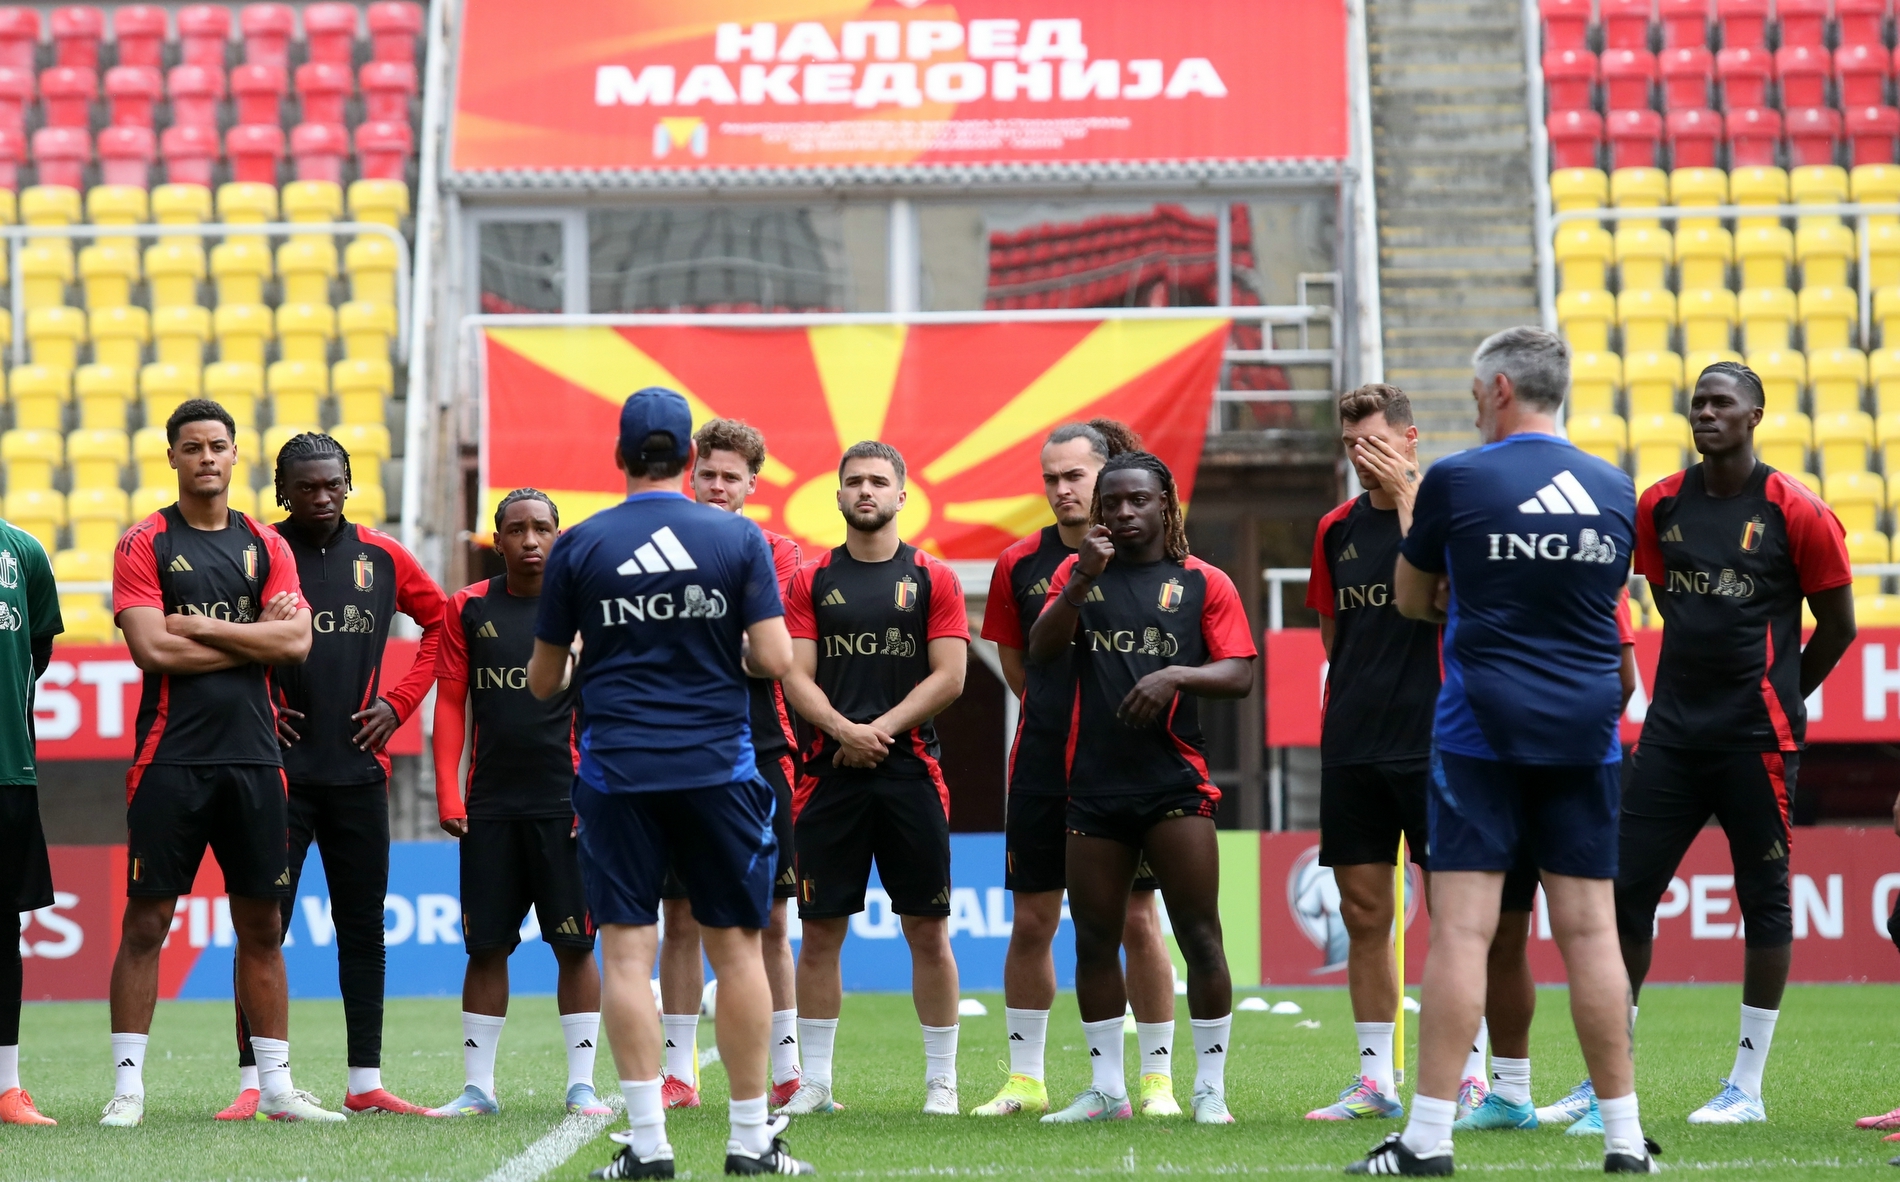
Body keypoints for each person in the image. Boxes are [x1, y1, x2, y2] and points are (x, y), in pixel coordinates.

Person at [1349, 327, 1654, 1174]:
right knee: (1591, 933)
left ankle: (1427, 1140)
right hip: (1587, 732)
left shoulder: (1458, 478)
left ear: (1501, 390)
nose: (1475, 407)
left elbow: (1411, 598)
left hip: (1480, 732)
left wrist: (1462, 590)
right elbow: (1601, 603)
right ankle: (1625, 1140)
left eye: (1477, 394)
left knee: (1462, 933)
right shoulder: (1616, 487)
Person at [528, 387, 810, 1178]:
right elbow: (775, 660)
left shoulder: (579, 545)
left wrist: (586, 654)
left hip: (617, 773)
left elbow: (543, 683)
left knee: (627, 955)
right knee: (739, 952)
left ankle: (649, 1146)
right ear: (689, 459)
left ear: (620, 456)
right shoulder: (738, 538)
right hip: (720, 769)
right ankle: (750, 1141)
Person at [1612, 361, 1854, 1126]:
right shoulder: (1660, 505)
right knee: (1624, 894)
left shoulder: (1798, 510)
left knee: (1764, 901)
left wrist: (1782, 692)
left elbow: (1838, 627)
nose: (1706, 413)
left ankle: (1745, 1088)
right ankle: (1609, 1077)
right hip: (1671, 738)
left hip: (1757, 740)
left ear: (1755, 416)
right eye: (1697, 403)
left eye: (1722, 403)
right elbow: (1660, 599)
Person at [105, 399, 333, 1126]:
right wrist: (251, 637)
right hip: (169, 758)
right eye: (193, 447)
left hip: (257, 759)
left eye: (218, 446)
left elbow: (297, 643)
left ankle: (276, 1088)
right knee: (147, 923)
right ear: (172, 456)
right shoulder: (143, 541)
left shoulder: (266, 543)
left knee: (262, 926)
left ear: (235, 455)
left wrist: (199, 626)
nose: (206, 457)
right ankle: (128, 1091)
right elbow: (152, 649)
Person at [216, 432, 447, 1120]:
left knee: (363, 929)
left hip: (359, 774)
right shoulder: (258, 551)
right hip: (276, 776)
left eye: (332, 484)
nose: (321, 497)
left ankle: (365, 1082)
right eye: (306, 487)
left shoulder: (383, 556)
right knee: (263, 928)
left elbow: (442, 625)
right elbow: (224, 634)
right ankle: (255, 1083)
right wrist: (260, 703)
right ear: (282, 491)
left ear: (349, 484)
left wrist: (399, 704)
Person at [1025, 451, 1255, 1127]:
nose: (1124, 512)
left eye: (1138, 500)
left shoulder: (1203, 581)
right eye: (1113, 502)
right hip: (1093, 787)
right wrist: (1080, 578)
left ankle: (1209, 1089)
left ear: (1165, 504)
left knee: (1201, 937)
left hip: (1174, 785)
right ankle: (1107, 1091)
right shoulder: (1078, 573)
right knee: (1094, 941)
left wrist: (1175, 675)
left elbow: (1239, 673)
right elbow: (1041, 650)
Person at [975, 419, 1180, 1119]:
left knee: (1137, 920)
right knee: (1033, 920)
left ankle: (1156, 1082)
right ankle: (1026, 1080)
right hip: (1042, 767)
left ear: (1107, 474)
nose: (1062, 490)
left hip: (1128, 770)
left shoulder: (1149, 560)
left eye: (1075, 476)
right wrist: (1057, 718)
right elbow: (1015, 661)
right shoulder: (1017, 563)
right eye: (1051, 479)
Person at [778, 441, 969, 1118]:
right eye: (854, 481)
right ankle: (816, 1084)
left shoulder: (934, 577)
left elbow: (952, 676)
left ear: (901, 495)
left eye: (878, 481)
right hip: (827, 777)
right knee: (820, 932)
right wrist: (843, 732)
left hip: (911, 772)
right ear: (837, 496)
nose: (866, 491)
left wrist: (875, 731)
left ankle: (942, 1083)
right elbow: (793, 674)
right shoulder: (810, 579)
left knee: (927, 930)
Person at [430, 488, 611, 1121]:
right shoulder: (468, 608)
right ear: (497, 540)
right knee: (484, 949)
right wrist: (449, 791)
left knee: (576, 947)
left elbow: (607, 711)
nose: (530, 540)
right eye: (516, 529)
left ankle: (582, 1086)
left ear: (560, 537)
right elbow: (451, 702)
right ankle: (477, 1089)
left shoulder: (588, 610)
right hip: (490, 809)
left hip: (568, 807)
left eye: (542, 528)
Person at [1299, 384, 1439, 1123]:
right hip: (1354, 742)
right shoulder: (1335, 529)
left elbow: (1446, 598)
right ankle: (1375, 1081)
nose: (1361, 456)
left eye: (1375, 441)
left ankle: (1470, 1077)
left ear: (1410, 438)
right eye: (1350, 444)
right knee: (1362, 914)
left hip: (1438, 740)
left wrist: (1411, 499)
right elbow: (1335, 637)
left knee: (1457, 915)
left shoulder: (1451, 511)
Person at [656, 418, 804, 1111]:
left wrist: (690, 639)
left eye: (731, 477)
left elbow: (768, 653)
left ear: (752, 485)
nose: (718, 485)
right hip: (676, 750)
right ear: (692, 475)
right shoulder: (658, 544)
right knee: (681, 915)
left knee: (770, 917)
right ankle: (678, 1074)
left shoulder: (777, 552)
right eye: (708, 473)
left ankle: (789, 1072)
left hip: (760, 749)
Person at [0, 512, 61, 1126]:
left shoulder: (23, 551)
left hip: (6, 769)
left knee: (3, 932)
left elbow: (36, 651)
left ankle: (6, 1088)